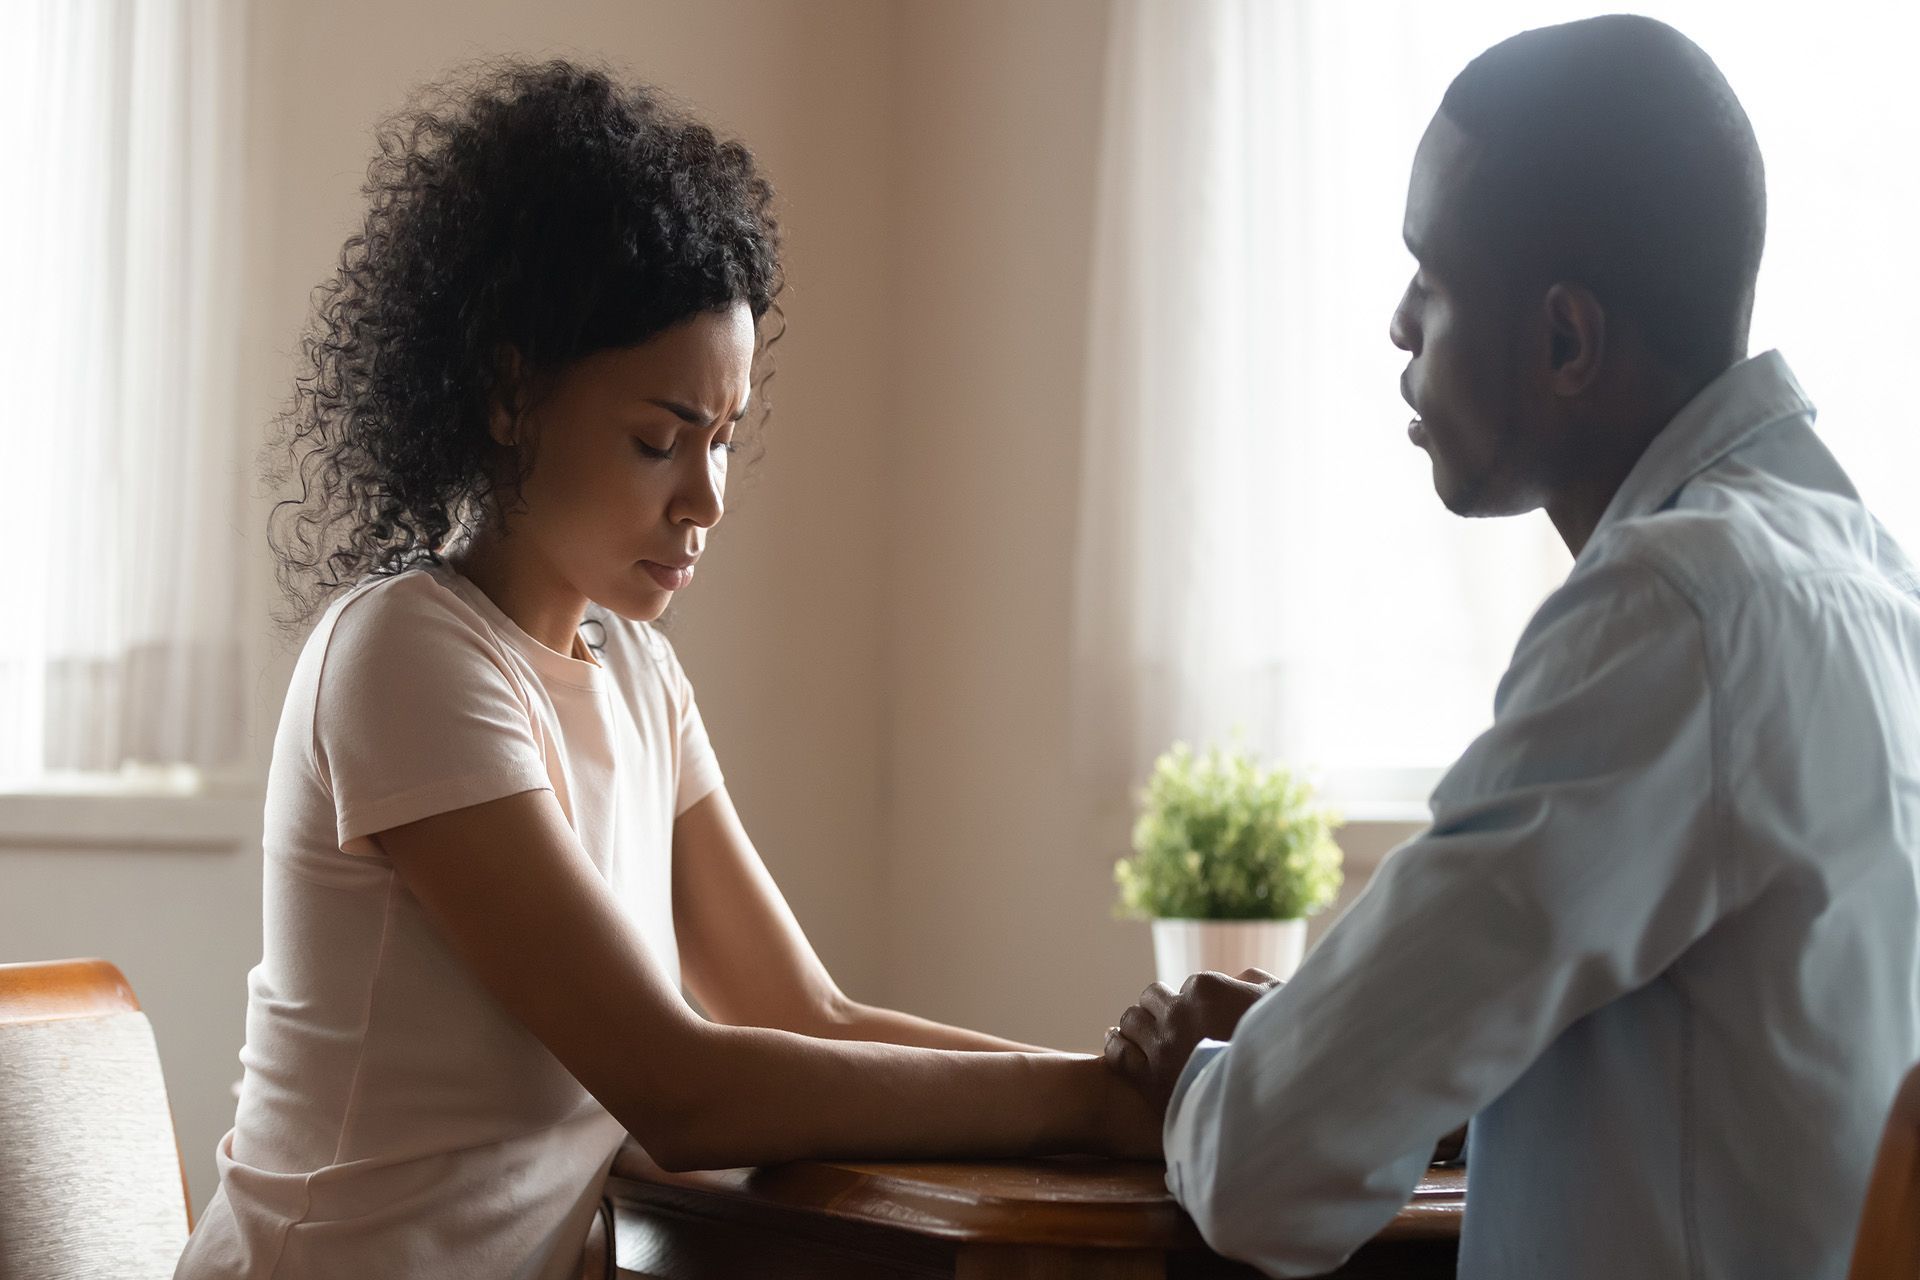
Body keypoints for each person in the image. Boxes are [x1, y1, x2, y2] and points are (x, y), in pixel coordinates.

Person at [174, 59, 1153, 1280]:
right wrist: (1093, 1102)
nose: (706, 498)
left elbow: (806, 1013)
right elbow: (676, 1079)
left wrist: (1121, 1089)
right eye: (658, 440)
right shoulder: (409, 656)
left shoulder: (639, 672)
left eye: (726, 438)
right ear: (508, 394)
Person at [1104, 15, 1920, 1279]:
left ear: (1565, 343)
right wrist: (1344, 1044)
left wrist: (1205, 1079)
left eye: (1430, 281)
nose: (1395, 324)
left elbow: (1266, 1168)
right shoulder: (1866, 575)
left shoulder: (1671, 611)